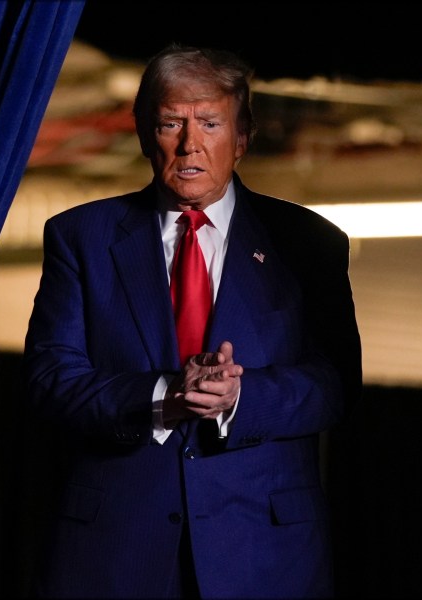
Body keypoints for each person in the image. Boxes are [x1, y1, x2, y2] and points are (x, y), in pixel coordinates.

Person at [22, 43, 362, 599]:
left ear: (243, 136)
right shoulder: (79, 237)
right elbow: (50, 381)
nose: (190, 144)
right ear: (142, 136)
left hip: (263, 554)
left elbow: (335, 386)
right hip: (115, 551)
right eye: (170, 123)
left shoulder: (308, 243)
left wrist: (238, 397)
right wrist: (163, 395)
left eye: (209, 122)